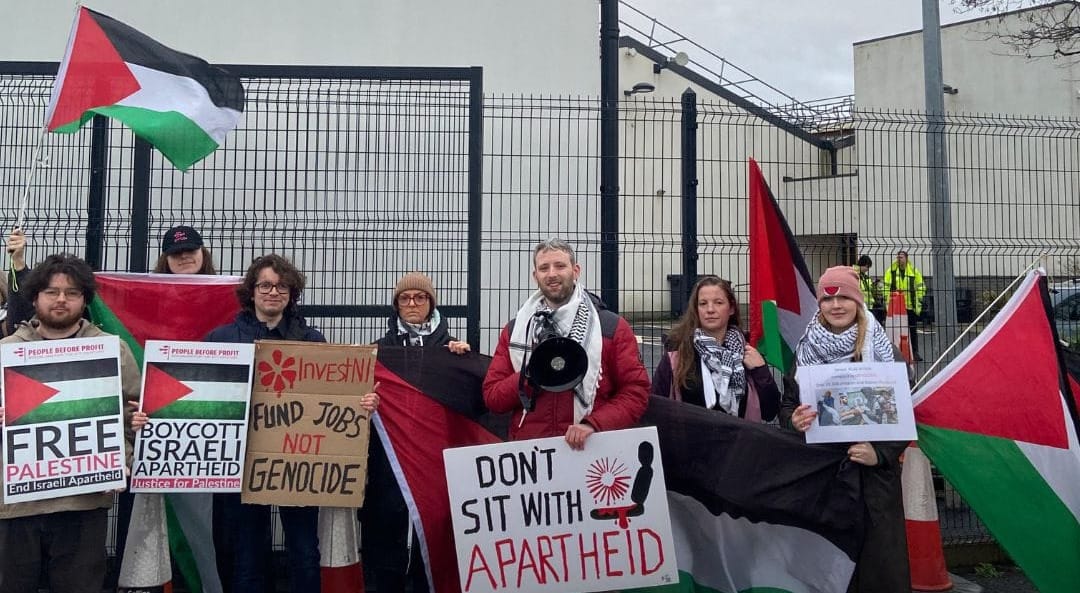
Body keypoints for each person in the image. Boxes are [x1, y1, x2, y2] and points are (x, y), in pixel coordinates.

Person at [204, 254, 376, 593]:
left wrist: (363, 404)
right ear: (251, 291)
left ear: (291, 293)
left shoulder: (312, 341)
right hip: (242, 462)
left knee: (303, 552)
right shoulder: (221, 340)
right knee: (247, 554)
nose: (273, 292)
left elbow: (336, 400)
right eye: (265, 285)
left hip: (299, 465)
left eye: (282, 286)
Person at [0, 253, 141, 593]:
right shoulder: (6, 351)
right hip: (17, 505)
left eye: (72, 292)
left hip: (84, 501)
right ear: (35, 298)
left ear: (84, 299)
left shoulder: (111, 350)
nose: (61, 299)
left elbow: (134, 415)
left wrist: (125, 456)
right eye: (51, 291)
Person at [780, 266, 909, 593]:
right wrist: (793, 421)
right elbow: (788, 404)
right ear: (820, 304)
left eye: (844, 298)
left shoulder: (882, 351)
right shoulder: (806, 350)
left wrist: (879, 453)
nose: (836, 306)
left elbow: (906, 415)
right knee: (828, 571)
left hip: (873, 483)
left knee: (877, 572)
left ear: (858, 301)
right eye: (828, 298)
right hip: (824, 477)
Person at [483, 239, 650, 448]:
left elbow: (636, 391)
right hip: (533, 458)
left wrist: (594, 424)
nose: (552, 274)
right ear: (536, 276)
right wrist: (530, 374)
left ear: (576, 270)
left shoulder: (610, 327)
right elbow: (493, 398)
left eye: (560, 266)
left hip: (591, 453)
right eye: (544, 268)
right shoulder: (516, 331)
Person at [362, 272, 469, 593]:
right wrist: (365, 403)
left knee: (436, 536)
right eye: (404, 298)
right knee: (385, 534)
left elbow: (470, 401)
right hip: (388, 459)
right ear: (395, 305)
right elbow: (352, 401)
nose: (412, 304)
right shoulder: (377, 352)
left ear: (431, 303)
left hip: (437, 459)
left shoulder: (453, 351)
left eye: (419, 298)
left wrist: (465, 366)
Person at [651, 275, 780, 421]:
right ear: (696, 309)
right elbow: (656, 407)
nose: (710, 310)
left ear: (731, 308)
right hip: (690, 442)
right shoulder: (677, 354)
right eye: (703, 303)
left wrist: (760, 371)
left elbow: (770, 411)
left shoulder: (746, 353)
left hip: (740, 441)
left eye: (718, 303)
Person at [882, 250, 926, 360]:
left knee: (912, 330)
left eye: (901, 257)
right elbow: (886, 288)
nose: (899, 259)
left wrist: (919, 300)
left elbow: (921, 286)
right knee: (896, 330)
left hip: (909, 306)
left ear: (906, 258)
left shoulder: (913, 271)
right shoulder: (891, 271)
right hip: (896, 307)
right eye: (898, 257)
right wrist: (888, 303)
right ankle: (895, 353)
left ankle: (914, 352)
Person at [855, 255, 883, 323]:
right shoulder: (854, 275)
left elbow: (869, 289)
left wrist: (874, 285)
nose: (867, 269)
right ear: (861, 264)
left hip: (868, 305)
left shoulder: (865, 277)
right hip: (860, 305)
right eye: (867, 267)